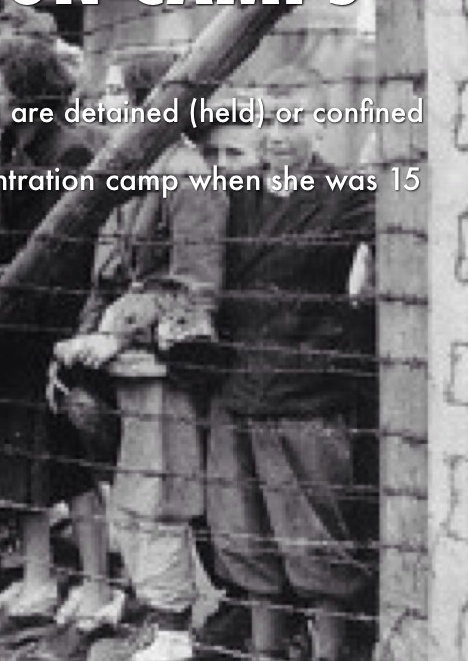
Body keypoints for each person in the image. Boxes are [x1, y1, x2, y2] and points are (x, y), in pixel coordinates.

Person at [38, 51, 228, 661]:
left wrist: (116, 334)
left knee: (158, 494)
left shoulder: (186, 173)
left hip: (161, 367)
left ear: (157, 101)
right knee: (128, 495)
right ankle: (154, 610)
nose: (107, 103)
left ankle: (173, 631)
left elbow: (195, 288)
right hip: (116, 366)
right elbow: (104, 275)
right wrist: (73, 350)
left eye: (119, 92)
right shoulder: (129, 171)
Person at [205, 65, 375, 661]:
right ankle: (265, 649)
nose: (275, 134)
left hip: (309, 389)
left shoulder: (350, 196)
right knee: (242, 529)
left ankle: (330, 651)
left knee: (314, 535)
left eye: (292, 120)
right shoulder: (234, 195)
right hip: (238, 383)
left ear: (323, 125)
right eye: (266, 121)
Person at [0, 30, 101, 644]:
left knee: (67, 464)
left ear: (28, 95)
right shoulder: (13, 147)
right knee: (24, 462)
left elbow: (66, 254)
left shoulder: (68, 152)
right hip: (12, 325)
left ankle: (96, 584)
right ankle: (37, 578)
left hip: (48, 326)